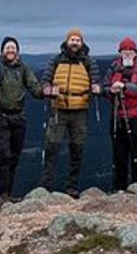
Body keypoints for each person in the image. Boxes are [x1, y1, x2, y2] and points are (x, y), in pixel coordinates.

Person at [0, 36, 44, 206]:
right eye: (8, 47)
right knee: (4, 155)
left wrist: (44, 92)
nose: (11, 50)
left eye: (13, 47)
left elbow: (33, 85)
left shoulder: (23, 67)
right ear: (2, 50)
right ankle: (2, 195)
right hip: (1, 115)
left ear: (18, 50)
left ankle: (8, 194)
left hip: (19, 116)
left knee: (15, 156)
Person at [40, 28, 101, 197]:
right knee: (51, 147)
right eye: (72, 39)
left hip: (80, 110)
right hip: (58, 108)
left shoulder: (88, 62)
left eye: (78, 40)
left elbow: (96, 81)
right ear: (67, 41)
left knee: (77, 149)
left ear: (82, 43)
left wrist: (98, 88)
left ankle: (72, 187)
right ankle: (45, 187)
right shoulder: (56, 60)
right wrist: (46, 88)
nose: (75, 42)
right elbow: (45, 79)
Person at [103, 36, 137, 191]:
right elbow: (104, 87)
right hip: (117, 117)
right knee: (119, 155)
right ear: (119, 52)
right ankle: (119, 189)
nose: (127, 53)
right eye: (124, 50)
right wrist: (110, 90)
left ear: (135, 53)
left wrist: (124, 87)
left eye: (130, 50)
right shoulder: (113, 68)